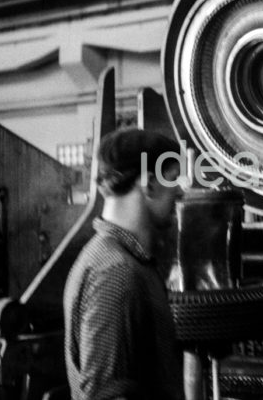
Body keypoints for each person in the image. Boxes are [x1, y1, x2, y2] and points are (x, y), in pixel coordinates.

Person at [64, 128, 185, 400]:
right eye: (174, 179)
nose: (179, 191)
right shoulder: (116, 272)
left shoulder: (119, 259)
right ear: (150, 184)